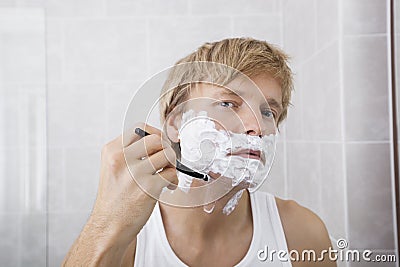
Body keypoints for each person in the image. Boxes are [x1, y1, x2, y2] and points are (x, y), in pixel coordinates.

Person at [63, 38, 336, 267]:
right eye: (229, 103)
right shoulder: (128, 241)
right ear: (175, 124)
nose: (256, 127)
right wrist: (105, 224)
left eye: (268, 112)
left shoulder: (301, 234)